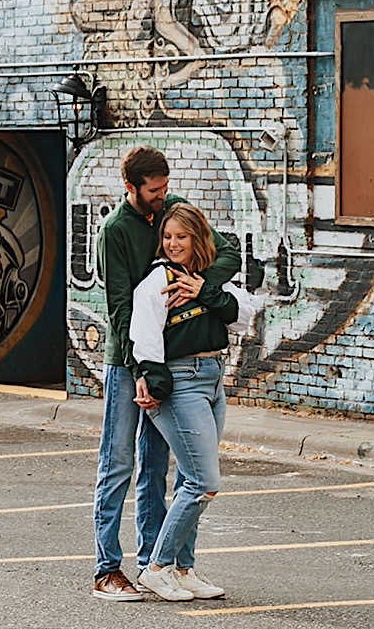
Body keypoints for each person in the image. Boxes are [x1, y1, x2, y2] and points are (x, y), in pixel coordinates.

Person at [92, 147, 240, 602]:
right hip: (129, 362)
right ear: (131, 188)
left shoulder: (172, 211)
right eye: (153, 191)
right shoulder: (115, 231)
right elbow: (120, 307)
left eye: (164, 187)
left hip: (170, 359)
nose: (161, 198)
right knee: (118, 463)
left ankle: (161, 565)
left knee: (160, 468)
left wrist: (195, 282)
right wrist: (141, 371)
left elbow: (226, 252)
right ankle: (107, 570)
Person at [129, 203, 237, 601]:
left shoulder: (204, 280)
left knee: (190, 480)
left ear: (198, 240)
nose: (173, 244)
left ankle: (184, 569)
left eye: (182, 237)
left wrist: (206, 291)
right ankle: (156, 568)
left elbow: (244, 314)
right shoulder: (157, 281)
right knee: (204, 482)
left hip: (212, 379)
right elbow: (143, 334)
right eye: (168, 237)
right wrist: (151, 381)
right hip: (179, 383)